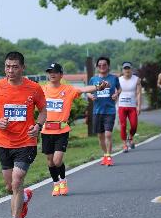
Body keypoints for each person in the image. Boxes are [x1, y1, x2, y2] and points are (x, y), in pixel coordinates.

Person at [0, 52, 47, 218]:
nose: (10, 70)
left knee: (17, 180)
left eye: (15, 67)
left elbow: (43, 111)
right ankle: (24, 197)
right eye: (7, 66)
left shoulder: (34, 88)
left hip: (26, 141)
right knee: (10, 187)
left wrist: (38, 126)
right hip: (3, 143)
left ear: (23, 68)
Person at [41, 63, 108, 196]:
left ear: (61, 75)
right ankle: (55, 183)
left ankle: (63, 181)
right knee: (50, 160)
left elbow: (83, 89)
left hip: (62, 131)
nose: (52, 74)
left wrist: (97, 87)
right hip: (46, 130)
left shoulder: (68, 89)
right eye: (50, 72)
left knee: (57, 160)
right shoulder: (42, 89)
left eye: (55, 72)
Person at [87, 57, 121, 166]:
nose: (102, 66)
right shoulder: (93, 79)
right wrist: (90, 96)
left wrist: (116, 94)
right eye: (100, 65)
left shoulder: (114, 78)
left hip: (109, 110)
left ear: (108, 66)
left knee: (108, 134)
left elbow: (119, 88)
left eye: (104, 65)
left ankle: (109, 156)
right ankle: (105, 154)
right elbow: (87, 91)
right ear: (97, 67)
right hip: (97, 111)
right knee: (100, 136)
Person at [118, 62, 142, 153]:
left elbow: (139, 93)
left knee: (134, 125)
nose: (127, 70)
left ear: (131, 69)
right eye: (125, 68)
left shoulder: (137, 79)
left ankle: (130, 136)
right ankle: (124, 145)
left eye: (128, 68)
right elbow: (116, 92)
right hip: (122, 106)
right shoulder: (119, 80)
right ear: (122, 70)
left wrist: (139, 106)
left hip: (132, 106)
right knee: (123, 125)